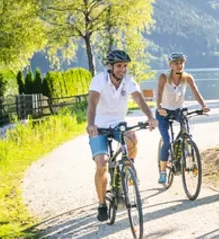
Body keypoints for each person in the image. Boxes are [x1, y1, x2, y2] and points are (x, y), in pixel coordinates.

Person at [86, 49, 157, 222]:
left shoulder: (128, 81)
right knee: (102, 164)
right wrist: (91, 124)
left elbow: (139, 99)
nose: (122, 70)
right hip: (100, 126)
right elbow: (92, 103)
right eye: (119, 66)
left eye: (125, 66)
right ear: (110, 67)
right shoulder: (99, 80)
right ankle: (102, 204)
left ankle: (127, 170)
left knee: (133, 138)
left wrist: (150, 117)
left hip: (119, 123)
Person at [156, 52, 210, 184]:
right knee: (167, 141)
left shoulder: (187, 77)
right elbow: (158, 93)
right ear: (170, 65)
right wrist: (159, 107)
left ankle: (186, 155)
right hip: (163, 112)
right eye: (176, 63)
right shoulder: (164, 77)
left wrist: (203, 105)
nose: (179, 66)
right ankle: (163, 172)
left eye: (181, 63)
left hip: (178, 111)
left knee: (187, 134)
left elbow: (196, 92)